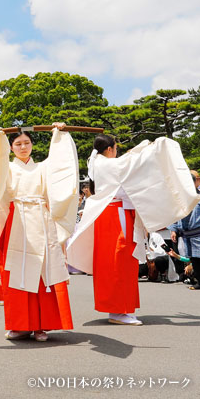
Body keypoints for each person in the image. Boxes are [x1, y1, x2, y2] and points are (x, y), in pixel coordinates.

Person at [0, 124, 79, 342]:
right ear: (11, 147)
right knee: (15, 276)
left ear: (33, 145)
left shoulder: (43, 168)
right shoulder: (6, 168)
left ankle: (41, 326)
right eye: (18, 144)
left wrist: (60, 135)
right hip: (16, 221)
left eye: (27, 143)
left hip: (41, 221)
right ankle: (19, 324)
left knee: (41, 276)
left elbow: (61, 166)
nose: (23, 147)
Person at [68, 135, 199, 325]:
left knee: (116, 263)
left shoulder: (97, 162)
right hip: (117, 216)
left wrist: (140, 148)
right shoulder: (109, 165)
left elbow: (127, 161)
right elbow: (132, 163)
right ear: (110, 150)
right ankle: (118, 311)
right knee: (120, 263)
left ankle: (120, 309)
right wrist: (153, 146)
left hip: (112, 215)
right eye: (116, 148)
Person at [169, 170, 200, 290]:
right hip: (186, 234)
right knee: (194, 259)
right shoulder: (179, 198)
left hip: (198, 232)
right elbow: (175, 215)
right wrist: (173, 229)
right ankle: (199, 281)